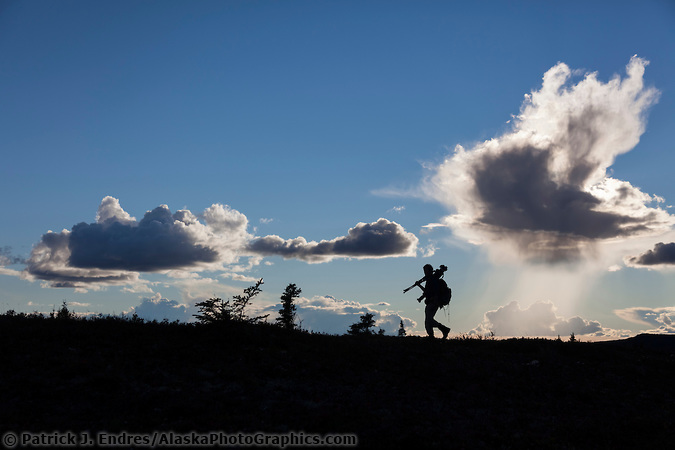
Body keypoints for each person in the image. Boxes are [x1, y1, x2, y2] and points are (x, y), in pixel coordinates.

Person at [416, 264, 451, 339]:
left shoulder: (431, 279)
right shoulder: (432, 279)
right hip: (432, 302)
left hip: (433, 302)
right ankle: (431, 336)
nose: (424, 272)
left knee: (429, 320)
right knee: (428, 321)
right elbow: (428, 292)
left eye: (425, 270)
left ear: (429, 270)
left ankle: (444, 329)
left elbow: (427, 292)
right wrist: (421, 298)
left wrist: (419, 285)